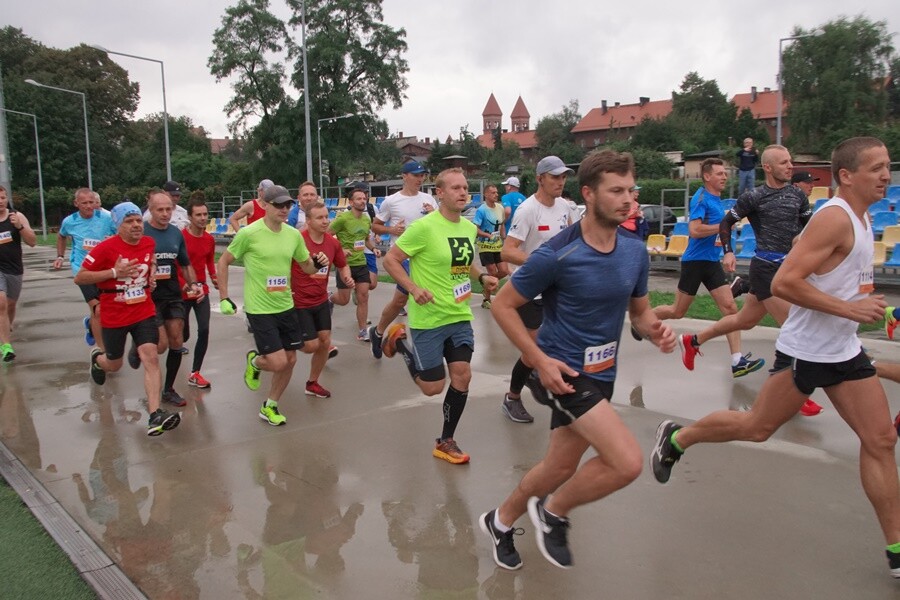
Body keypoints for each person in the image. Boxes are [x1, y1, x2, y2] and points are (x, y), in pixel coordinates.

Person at [651, 136, 900, 578]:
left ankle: (896, 549)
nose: (886, 175)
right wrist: (849, 309)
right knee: (757, 427)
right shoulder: (835, 218)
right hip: (807, 351)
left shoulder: (862, 220)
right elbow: (785, 282)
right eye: (876, 167)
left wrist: (864, 301)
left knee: (880, 440)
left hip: (843, 350)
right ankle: (677, 438)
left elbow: (835, 279)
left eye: (887, 167)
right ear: (847, 176)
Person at [480, 150, 676, 570]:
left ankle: (499, 520)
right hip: (562, 373)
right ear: (588, 194)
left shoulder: (634, 251)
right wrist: (538, 361)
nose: (627, 200)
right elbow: (501, 304)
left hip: (604, 374)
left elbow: (639, 311)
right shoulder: (556, 255)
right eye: (616, 191)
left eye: (630, 190)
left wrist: (654, 329)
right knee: (626, 462)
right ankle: (554, 513)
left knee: (558, 466)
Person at [678, 145, 823, 416]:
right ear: (768, 167)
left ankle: (694, 340)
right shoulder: (754, 196)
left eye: (791, 161)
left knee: (745, 320)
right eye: (783, 162)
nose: (790, 166)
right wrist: (729, 251)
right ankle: (794, 393)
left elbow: (808, 230)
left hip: (788, 268)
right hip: (766, 269)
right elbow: (724, 224)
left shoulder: (797, 196)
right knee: (794, 329)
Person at [380, 168, 498, 464]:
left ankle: (445, 441)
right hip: (428, 318)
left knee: (462, 376)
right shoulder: (424, 228)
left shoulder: (468, 229)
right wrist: (412, 287)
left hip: (458, 315)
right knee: (432, 388)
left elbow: (465, 262)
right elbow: (391, 259)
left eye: (466, 188)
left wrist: (482, 277)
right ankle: (400, 342)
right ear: (440, 193)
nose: (463, 193)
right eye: (456, 188)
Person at [646, 158, 764, 377]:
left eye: (725, 173)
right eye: (719, 173)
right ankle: (643, 320)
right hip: (695, 262)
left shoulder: (718, 200)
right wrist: (722, 226)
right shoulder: (701, 197)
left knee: (730, 308)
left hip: (711, 262)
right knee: (677, 311)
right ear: (707, 176)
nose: (724, 177)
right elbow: (694, 230)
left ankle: (737, 361)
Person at [217, 184, 322, 426]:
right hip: (260, 308)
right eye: (279, 205)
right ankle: (254, 361)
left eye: (288, 205)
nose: (285, 209)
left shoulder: (293, 235)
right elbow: (223, 262)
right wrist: (224, 297)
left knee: (291, 359)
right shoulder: (249, 234)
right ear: (264, 205)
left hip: (285, 305)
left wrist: (316, 263)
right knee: (277, 362)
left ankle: (270, 405)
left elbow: (306, 267)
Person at [75, 202, 181, 436]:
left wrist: (150, 273)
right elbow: (80, 277)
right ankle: (98, 360)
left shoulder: (148, 243)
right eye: (129, 221)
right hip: (115, 313)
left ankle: (155, 415)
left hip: (143, 309)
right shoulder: (106, 248)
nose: (136, 225)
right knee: (114, 364)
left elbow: (149, 258)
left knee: (151, 357)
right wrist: (114, 273)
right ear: (118, 225)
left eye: (137, 220)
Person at [498, 156, 574, 424]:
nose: (561, 182)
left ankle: (540, 376)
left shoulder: (565, 206)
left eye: (564, 177)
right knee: (535, 347)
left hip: (557, 289)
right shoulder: (528, 210)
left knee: (555, 343)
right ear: (540, 178)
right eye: (555, 177)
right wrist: (541, 264)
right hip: (530, 289)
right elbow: (508, 250)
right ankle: (512, 397)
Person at [136, 189, 201, 409]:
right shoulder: (142, 233)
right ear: (150, 210)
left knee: (176, 340)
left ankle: (169, 389)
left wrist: (194, 285)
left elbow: (185, 264)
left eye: (168, 209)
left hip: (172, 294)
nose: (165, 213)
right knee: (160, 345)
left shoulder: (175, 233)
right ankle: (139, 343)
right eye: (160, 209)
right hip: (148, 297)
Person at [368, 161, 437, 357]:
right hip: (402, 257)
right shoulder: (391, 201)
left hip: (425, 256)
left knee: (401, 300)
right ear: (404, 176)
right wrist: (391, 229)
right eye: (416, 175)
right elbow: (376, 226)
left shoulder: (429, 199)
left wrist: (434, 214)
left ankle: (378, 331)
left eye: (422, 175)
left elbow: (440, 222)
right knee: (409, 297)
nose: (420, 179)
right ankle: (417, 343)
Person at [292, 202, 352, 398]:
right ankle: (287, 341)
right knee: (311, 346)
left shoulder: (332, 243)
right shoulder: (297, 240)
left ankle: (312, 383)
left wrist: (346, 276)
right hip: (299, 301)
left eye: (327, 216)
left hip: (320, 300)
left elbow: (342, 265)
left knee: (325, 342)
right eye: (320, 217)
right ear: (308, 221)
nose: (325, 221)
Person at [53, 187, 116, 351]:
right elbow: (61, 236)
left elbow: (121, 236)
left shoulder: (107, 218)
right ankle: (102, 350)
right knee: (98, 310)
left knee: (108, 310)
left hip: (104, 270)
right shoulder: (69, 221)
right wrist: (60, 256)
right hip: (82, 271)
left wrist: (113, 239)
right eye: (84, 203)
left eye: (91, 202)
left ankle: (90, 324)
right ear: (76, 204)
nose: (89, 206)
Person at [179, 194, 217, 389]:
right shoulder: (181, 238)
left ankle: (195, 372)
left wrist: (213, 276)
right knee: (181, 336)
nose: (203, 218)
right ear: (190, 217)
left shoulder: (209, 239)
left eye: (205, 214)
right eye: (198, 215)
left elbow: (209, 259)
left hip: (201, 289)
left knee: (204, 329)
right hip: (183, 290)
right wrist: (184, 285)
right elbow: (177, 266)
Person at [329, 186, 378, 340]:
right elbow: (327, 236)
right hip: (345, 265)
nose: (363, 201)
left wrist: (373, 248)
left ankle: (363, 331)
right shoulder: (343, 218)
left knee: (363, 296)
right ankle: (329, 298)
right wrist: (340, 250)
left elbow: (364, 239)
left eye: (364, 198)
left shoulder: (366, 218)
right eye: (359, 198)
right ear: (351, 201)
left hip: (361, 262)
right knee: (343, 300)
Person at [0, 185, 37, 362]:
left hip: (14, 269)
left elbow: (32, 242)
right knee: (1, 304)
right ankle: (6, 346)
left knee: (10, 305)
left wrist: (20, 227)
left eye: (3, 197)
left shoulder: (17, 216)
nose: (0, 201)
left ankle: (7, 326)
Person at [471, 184, 508, 309]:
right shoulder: (481, 210)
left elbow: (502, 225)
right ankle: (486, 300)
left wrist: (505, 239)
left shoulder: (500, 208)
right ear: (486, 194)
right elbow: (475, 229)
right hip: (485, 246)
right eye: (493, 192)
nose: (496, 194)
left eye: (497, 192)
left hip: (498, 246)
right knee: (492, 272)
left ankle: (485, 283)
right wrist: (487, 235)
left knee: (504, 271)